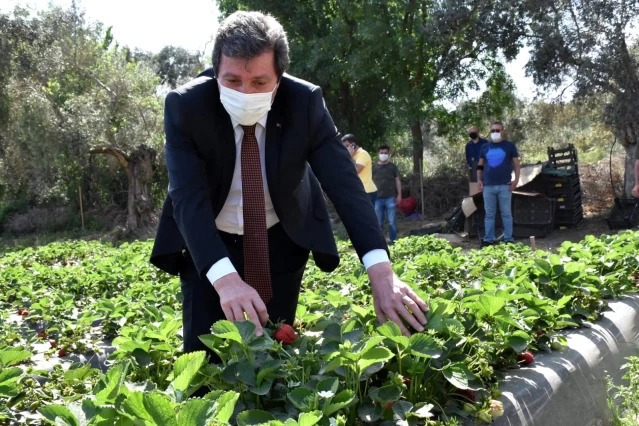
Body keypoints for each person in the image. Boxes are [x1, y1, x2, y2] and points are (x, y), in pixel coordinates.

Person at [150, 11, 429, 365]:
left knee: (276, 353)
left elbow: (344, 183)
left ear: (279, 78)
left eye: (259, 82)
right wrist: (225, 280)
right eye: (232, 80)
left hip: (279, 238)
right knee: (205, 363)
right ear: (216, 70)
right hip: (209, 240)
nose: (244, 93)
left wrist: (381, 270)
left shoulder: (303, 102)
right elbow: (187, 198)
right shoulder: (186, 106)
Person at [477, 121, 520, 247]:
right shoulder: (485, 147)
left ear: (503, 131)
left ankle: (508, 239)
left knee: (506, 213)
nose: (495, 133)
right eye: (493, 130)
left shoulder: (509, 146)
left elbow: (516, 164)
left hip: (505, 185)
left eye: (497, 130)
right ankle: (488, 239)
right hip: (488, 186)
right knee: (489, 214)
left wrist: (516, 180)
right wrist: (479, 180)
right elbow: (480, 165)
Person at [372, 145, 401, 244]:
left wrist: (399, 195)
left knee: (391, 222)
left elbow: (397, 181)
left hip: (390, 198)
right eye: (381, 153)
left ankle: (394, 242)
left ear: (388, 154)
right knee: (378, 223)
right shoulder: (373, 167)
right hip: (377, 199)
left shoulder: (393, 167)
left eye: (385, 153)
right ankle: (380, 243)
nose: (383, 155)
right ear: (378, 153)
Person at [342, 134, 378, 205]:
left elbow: (355, 171)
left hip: (366, 191)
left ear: (353, 145)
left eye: (347, 146)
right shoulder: (353, 155)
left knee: (366, 215)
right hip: (357, 190)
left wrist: (349, 157)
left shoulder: (362, 154)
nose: (345, 148)